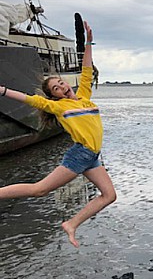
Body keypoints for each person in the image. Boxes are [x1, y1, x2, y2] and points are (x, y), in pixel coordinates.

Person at [0, 21, 116, 248]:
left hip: (92, 156)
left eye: (61, 83)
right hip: (80, 154)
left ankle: (71, 224)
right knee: (39, 189)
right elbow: (31, 99)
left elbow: (86, 69)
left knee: (109, 196)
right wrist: (3, 91)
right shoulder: (59, 107)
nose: (62, 87)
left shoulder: (84, 96)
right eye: (56, 89)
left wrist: (89, 42)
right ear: (54, 97)